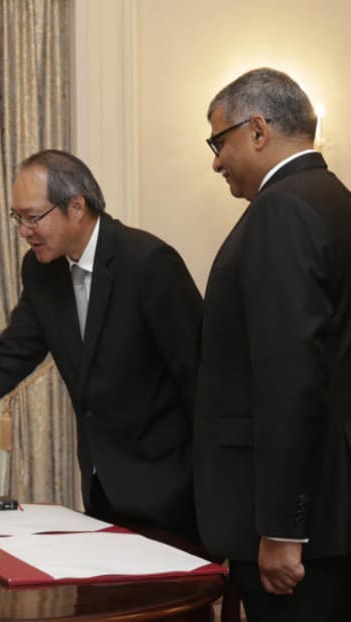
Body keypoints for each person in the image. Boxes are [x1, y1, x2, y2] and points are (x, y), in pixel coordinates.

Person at [0, 149, 203, 541]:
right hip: (103, 492)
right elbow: (12, 354)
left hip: (172, 494)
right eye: (18, 218)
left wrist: (217, 494)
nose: (24, 231)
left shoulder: (148, 263)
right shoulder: (41, 271)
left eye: (32, 217)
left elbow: (201, 378)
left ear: (76, 207)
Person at [195, 68, 351, 621]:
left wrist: (283, 528)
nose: (216, 160)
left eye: (220, 141)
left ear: (258, 129)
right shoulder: (333, 198)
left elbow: (291, 376)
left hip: (297, 531)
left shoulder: (280, 208)